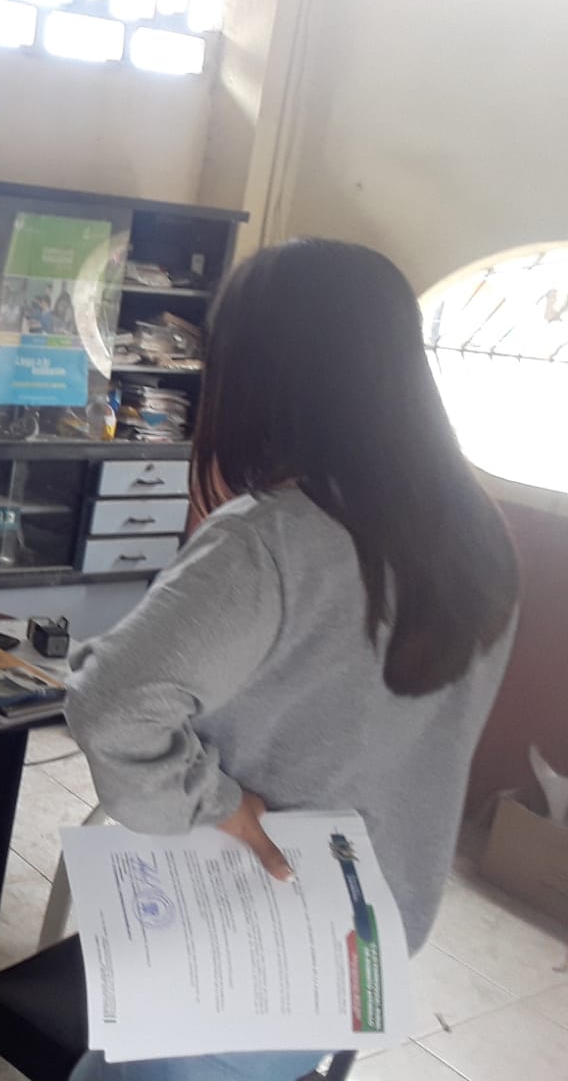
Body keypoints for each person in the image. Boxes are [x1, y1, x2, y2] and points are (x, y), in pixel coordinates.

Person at [63, 239, 519, 1081]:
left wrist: (218, 802)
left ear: (258, 371)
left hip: (245, 932)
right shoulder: (477, 532)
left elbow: (111, 706)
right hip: (366, 933)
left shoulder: (273, 538)